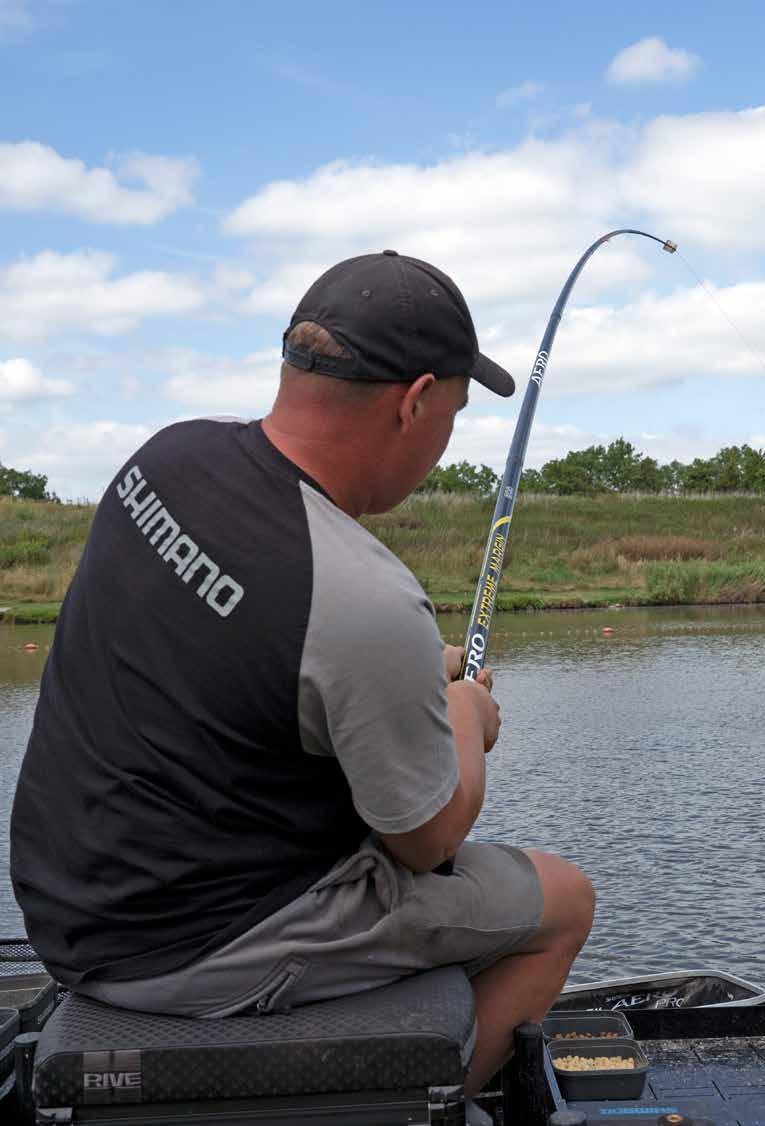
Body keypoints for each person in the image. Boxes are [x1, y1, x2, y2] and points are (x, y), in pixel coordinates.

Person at [11, 250, 594, 1098]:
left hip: (68, 906)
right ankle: (431, 1107)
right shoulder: (362, 594)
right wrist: (465, 717)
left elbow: (236, 656)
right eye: (454, 412)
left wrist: (405, 678)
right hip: (190, 947)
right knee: (563, 899)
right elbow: (426, 841)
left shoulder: (166, 461)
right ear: (414, 401)